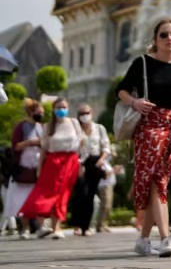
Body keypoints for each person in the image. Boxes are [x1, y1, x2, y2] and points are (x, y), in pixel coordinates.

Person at [117, 18, 171, 257]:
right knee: (157, 182)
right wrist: (134, 102)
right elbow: (120, 89)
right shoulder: (143, 62)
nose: (169, 39)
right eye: (163, 35)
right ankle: (165, 239)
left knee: (159, 182)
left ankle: (143, 240)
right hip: (148, 129)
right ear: (155, 39)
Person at [19, 97, 83, 240]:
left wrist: (80, 163)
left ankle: (57, 227)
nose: (61, 110)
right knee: (44, 193)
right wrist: (39, 169)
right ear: (53, 109)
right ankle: (41, 224)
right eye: (58, 107)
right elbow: (43, 150)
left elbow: (80, 143)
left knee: (63, 194)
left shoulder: (74, 123)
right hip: (53, 163)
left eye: (64, 107)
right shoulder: (48, 126)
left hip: (70, 162)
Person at [3, 98, 44, 239]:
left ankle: (40, 226)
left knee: (38, 199)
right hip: (23, 167)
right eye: (39, 112)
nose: (41, 115)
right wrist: (29, 142)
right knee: (22, 199)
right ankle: (25, 228)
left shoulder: (42, 127)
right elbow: (15, 146)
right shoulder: (21, 127)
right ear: (31, 112)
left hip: (38, 167)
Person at [70, 103, 110, 237]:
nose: (85, 116)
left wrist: (101, 160)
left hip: (95, 162)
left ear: (92, 113)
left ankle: (86, 226)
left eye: (87, 113)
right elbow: (72, 148)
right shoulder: (76, 130)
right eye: (82, 113)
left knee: (90, 195)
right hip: (79, 162)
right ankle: (77, 224)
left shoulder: (99, 128)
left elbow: (106, 147)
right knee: (80, 193)